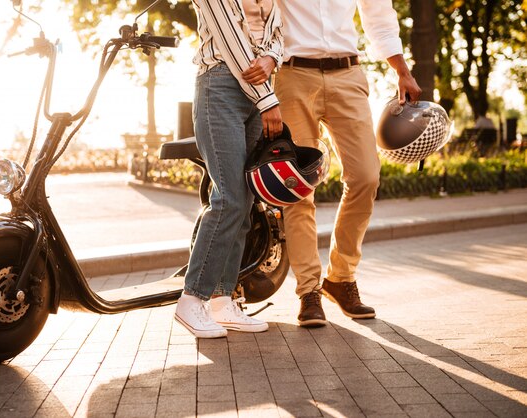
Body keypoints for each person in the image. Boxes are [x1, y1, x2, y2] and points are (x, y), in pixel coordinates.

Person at [273, 0, 422, 326]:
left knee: (366, 176)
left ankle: (340, 278)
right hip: (292, 74)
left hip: (348, 75)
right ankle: (308, 291)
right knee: (299, 187)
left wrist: (403, 71)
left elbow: (379, 15)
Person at [174, 0, 284, 338]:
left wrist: (272, 58)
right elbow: (231, 40)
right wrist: (267, 99)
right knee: (229, 199)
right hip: (221, 87)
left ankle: (223, 300)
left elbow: (280, 32)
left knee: (246, 200)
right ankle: (191, 299)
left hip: (258, 90)